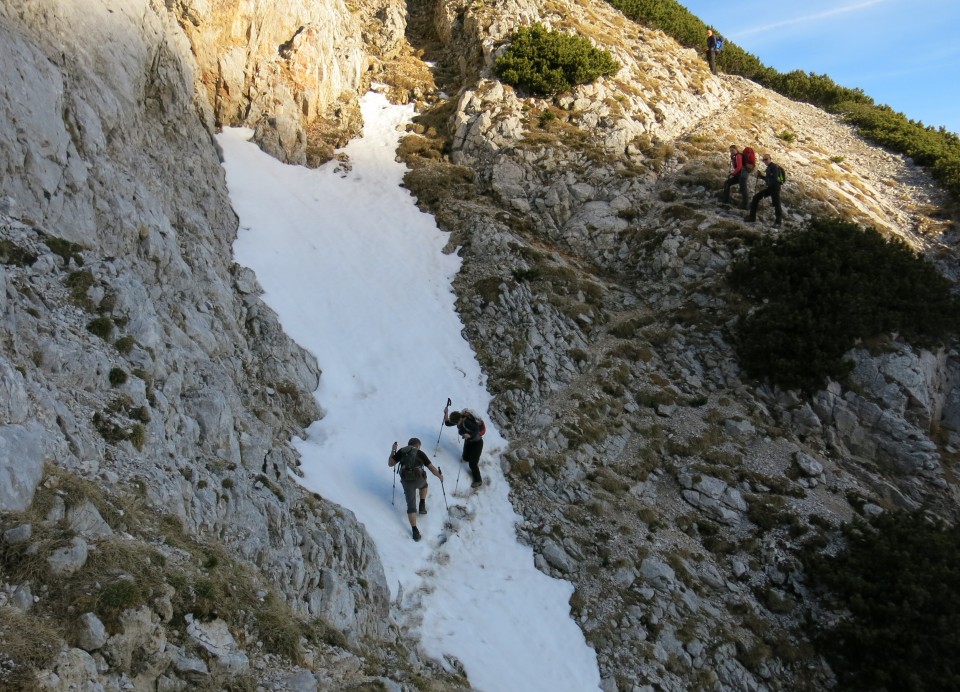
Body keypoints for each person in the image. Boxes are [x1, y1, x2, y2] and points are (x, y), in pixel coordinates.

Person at [388, 437, 443, 541]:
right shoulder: (420, 453)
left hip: (407, 482)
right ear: (418, 445)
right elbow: (431, 468)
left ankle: (415, 531)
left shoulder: (401, 451)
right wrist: (440, 476)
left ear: (409, 444)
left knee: (411, 507)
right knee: (424, 486)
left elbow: (390, 464)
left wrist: (393, 450)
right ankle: (422, 504)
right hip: (419, 480)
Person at [444, 405, 484, 488]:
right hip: (468, 442)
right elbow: (447, 423)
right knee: (465, 458)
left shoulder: (467, 422)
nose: (455, 424)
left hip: (477, 443)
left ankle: (478, 480)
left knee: (472, 464)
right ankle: (470, 456)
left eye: (455, 423)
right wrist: (446, 413)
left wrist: (469, 435)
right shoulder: (458, 420)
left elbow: (476, 430)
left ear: (459, 419)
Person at [745, 154, 784, 226]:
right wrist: (761, 176)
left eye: (766, 159)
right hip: (771, 188)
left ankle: (778, 222)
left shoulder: (774, 167)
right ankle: (752, 217)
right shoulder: (769, 167)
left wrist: (767, 184)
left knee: (776, 204)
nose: (765, 161)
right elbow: (769, 178)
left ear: (770, 158)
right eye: (764, 160)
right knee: (756, 198)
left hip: (775, 188)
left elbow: (774, 179)